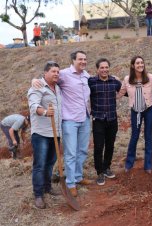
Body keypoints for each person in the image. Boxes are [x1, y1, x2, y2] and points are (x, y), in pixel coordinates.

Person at [32, 51, 92, 197]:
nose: (83, 61)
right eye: (80, 59)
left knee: (82, 150)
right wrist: (34, 80)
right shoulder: (63, 74)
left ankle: (78, 176)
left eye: (85, 59)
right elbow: (46, 81)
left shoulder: (86, 75)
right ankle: (70, 183)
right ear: (73, 60)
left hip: (85, 118)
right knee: (71, 153)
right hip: (70, 120)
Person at [28, 61, 62, 209]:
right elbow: (33, 105)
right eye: (53, 71)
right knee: (40, 165)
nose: (56, 74)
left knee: (50, 163)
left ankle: (48, 187)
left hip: (55, 132)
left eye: (57, 72)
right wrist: (44, 112)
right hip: (41, 133)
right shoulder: (37, 86)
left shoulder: (58, 88)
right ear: (45, 73)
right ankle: (38, 195)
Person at [117, 56, 152, 174]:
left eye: (142, 62)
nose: (140, 65)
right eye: (137, 63)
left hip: (148, 110)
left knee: (148, 136)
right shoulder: (127, 79)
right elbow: (120, 93)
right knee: (134, 136)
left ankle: (148, 166)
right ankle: (129, 164)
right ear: (133, 65)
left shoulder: (150, 77)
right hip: (135, 111)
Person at [88, 58, 122, 186]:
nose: (104, 70)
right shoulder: (91, 82)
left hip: (112, 119)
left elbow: (126, 91)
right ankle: (99, 172)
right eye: (101, 68)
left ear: (109, 68)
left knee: (110, 145)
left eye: (106, 67)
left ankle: (107, 167)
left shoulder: (114, 81)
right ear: (97, 69)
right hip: (98, 120)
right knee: (98, 146)